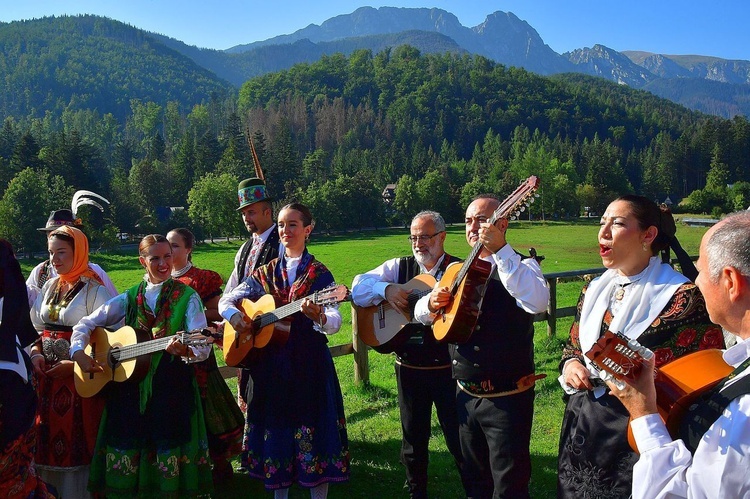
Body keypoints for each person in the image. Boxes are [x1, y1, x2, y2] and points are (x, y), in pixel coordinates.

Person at [556, 195, 725, 498]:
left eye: (617, 223)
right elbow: (574, 346)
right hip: (584, 422)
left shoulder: (682, 298)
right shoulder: (593, 289)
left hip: (639, 429)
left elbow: (705, 379)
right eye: (602, 222)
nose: (603, 232)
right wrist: (571, 365)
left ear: (648, 235)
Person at [414, 194, 550, 498]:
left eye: (481, 219)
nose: (473, 226)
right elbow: (422, 313)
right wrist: (430, 303)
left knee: (509, 485)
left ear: (502, 223)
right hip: (464, 396)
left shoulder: (522, 266)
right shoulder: (456, 271)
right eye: (468, 220)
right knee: (475, 483)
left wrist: (500, 250)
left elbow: (538, 302)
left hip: (507, 398)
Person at [607, 210, 750, 498]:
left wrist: (644, 414)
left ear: (731, 282)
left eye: (700, 270)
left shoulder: (743, 415)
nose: (696, 281)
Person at [219, 202, 350, 498]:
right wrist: (236, 318)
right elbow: (226, 300)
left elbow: (335, 322)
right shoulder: (265, 272)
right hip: (271, 367)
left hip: (308, 365)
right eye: (280, 225)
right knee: (276, 432)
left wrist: (318, 315)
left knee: (312, 431)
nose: (285, 230)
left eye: (292, 225)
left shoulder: (319, 275)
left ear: (308, 230)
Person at [70, 234, 213, 497]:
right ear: (142, 261)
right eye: (155, 258)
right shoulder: (130, 297)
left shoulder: (188, 297)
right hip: (129, 391)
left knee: (166, 444)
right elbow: (85, 324)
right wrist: (78, 352)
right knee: (127, 444)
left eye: (167, 256)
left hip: (170, 390)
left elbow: (203, 346)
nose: (163, 264)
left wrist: (185, 349)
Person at [351, 210, 467, 498]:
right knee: (413, 439)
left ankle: (475, 488)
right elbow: (357, 287)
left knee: (459, 437)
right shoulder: (399, 268)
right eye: (413, 237)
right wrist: (386, 289)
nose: (418, 244)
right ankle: (416, 491)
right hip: (409, 368)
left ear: (442, 237)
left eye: (425, 237)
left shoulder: (458, 270)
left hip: (448, 369)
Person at [27, 226, 114, 498]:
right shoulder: (50, 285)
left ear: (78, 252)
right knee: (43, 435)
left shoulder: (95, 291)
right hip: (47, 379)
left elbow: (109, 340)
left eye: (62, 252)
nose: (54, 259)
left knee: (78, 437)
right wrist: (36, 354)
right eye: (51, 253)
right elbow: (34, 327)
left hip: (80, 381)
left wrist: (75, 365)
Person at [167, 227, 244, 483]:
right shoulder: (160, 280)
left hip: (198, 352)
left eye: (175, 246)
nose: (170, 251)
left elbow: (218, 312)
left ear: (189, 249)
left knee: (206, 407)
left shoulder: (202, 279)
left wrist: (192, 313)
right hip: (170, 357)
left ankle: (219, 466)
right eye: (167, 246)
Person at [224, 177, 282, 473]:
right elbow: (231, 290)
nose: (247, 217)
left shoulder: (283, 244)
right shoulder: (245, 248)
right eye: (244, 212)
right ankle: (256, 459)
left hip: (275, 334)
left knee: (273, 396)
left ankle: (277, 458)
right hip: (247, 335)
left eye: (252, 211)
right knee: (250, 393)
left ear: (267, 211)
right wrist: (229, 318)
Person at [0, 239, 56, 498]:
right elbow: (23, 326)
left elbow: (21, 327)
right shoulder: (10, 268)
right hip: (15, 373)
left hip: (11, 376)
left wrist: (35, 352)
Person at [26, 209, 117, 307]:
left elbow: (115, 309)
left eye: (61, 233)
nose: (55, 237)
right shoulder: (40, 272)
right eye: (50, 234)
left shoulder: (95, 273)